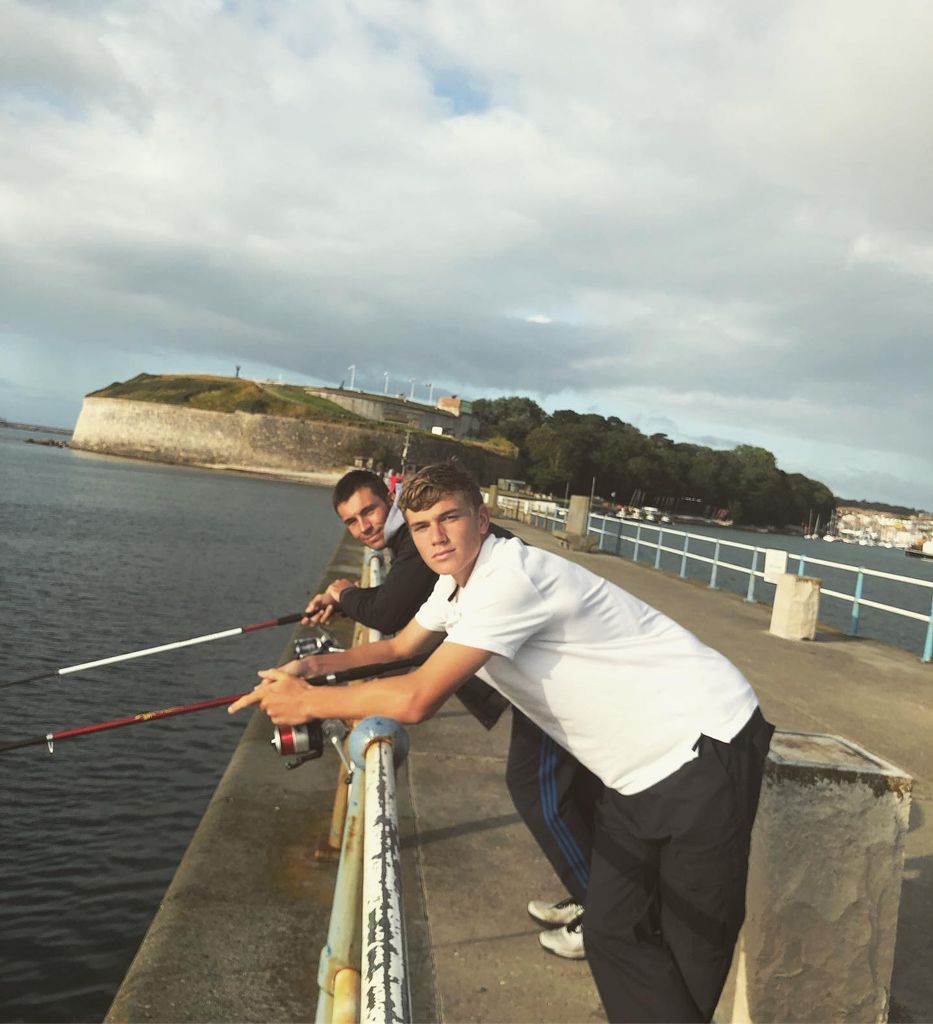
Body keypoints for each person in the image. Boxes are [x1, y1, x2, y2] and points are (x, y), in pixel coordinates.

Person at [232, 462, 773, 1022]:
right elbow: (399, 649)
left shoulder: (510, 579)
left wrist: (310, 704)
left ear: (481, 519)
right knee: (615, 931)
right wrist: (312, 667)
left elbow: (418, 697)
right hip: (634, 770)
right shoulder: (455, 582)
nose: (436, 537)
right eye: (421, 526)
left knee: (691, 947)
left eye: (449, 518)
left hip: (704, 743)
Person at [302, 470, 598, 946]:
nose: (365, 527)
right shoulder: (441, 572)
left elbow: (394, 633)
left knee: (539, 789)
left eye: (370, 511)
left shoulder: (468, 563)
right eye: (353, 522)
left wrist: (311, 691)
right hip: (551, 687)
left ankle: (603, 916)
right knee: (571, 798)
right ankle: (594, 896)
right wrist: (317, 666)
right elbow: (400, 644)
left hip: (567, 691)